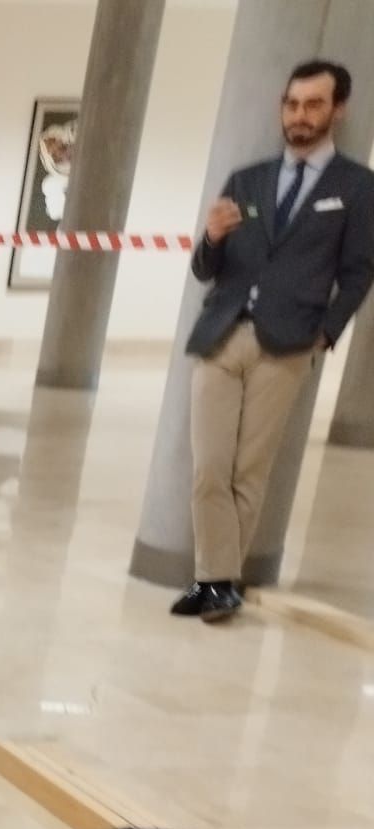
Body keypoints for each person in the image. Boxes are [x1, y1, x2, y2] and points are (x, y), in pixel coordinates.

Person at [176, 58, 374, 624]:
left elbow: (360, 272)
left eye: (314, 105)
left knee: (248, 473)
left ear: (338, 110)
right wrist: (211, 239)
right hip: (221, 334)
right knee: (209, 467)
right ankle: (218, 580)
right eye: (291, 104)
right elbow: (207, 268)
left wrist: (327, 333)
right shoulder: (248, 178)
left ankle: (215, 584)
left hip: (287, 346)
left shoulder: (357, 188)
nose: (300, 116)